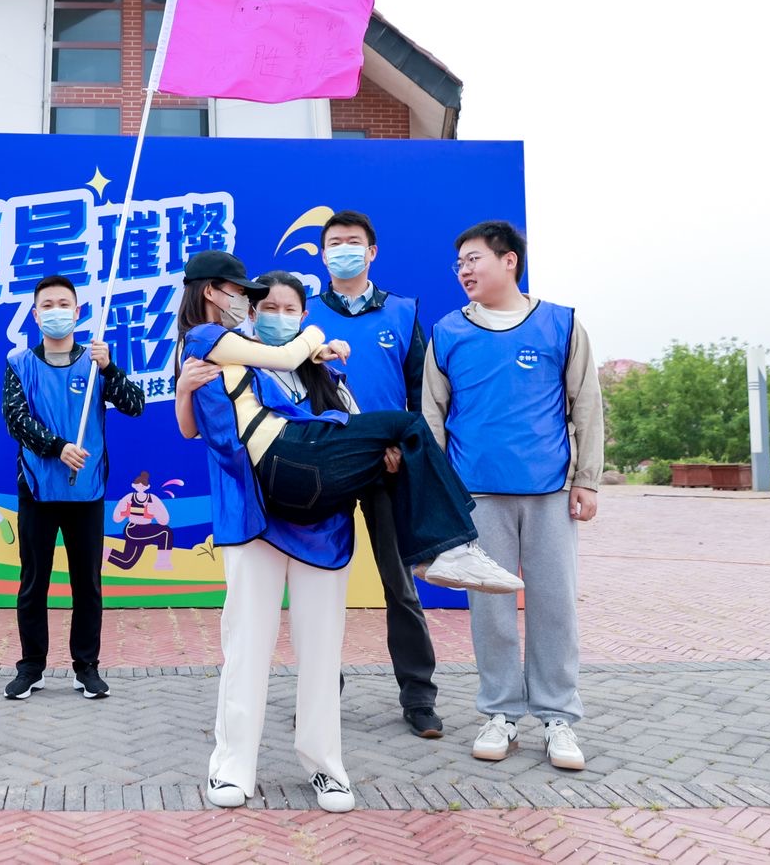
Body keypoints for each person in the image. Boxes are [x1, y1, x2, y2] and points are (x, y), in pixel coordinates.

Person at [172, 251, 520, 816]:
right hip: (254, 517)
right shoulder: (226, 356)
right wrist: (184, 390)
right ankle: (232, 764)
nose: (277, 315)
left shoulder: (327, 371)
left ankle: (325, 766)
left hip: (323, 523)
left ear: (304, 312)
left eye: (290, 308)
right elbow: (197, 431)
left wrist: (384, 455)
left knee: (320, 649)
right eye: (267, 307)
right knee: (246, 644)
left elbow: (356, 436)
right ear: (249, 311)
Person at [422, 220, 604, 772]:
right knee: (491, 608)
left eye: (474, 259)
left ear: (509, 261)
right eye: (459, 263)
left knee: (554, 604)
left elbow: (586, 403)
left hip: (549, 491)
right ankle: (500, 712)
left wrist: (587, 478)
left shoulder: (561, 324)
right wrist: (440, 493)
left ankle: (558, 716)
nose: (464, 270)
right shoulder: (448, 332)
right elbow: (432, 415)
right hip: (475, 494)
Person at [307, 209, 446, 739]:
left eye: (353, 242)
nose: (343, 250)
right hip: (325, 467)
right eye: (334, 243)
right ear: (323, 255)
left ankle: (419, 697)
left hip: (387, 466)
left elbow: (420, 395)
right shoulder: (306, 314)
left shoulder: (403, 312)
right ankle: (320, 696)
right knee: (321, 587)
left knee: (400, 585)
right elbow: (292, 391)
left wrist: (404, 448)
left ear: (371, 252)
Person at [0, 274, 145, 702]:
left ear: (78, 312)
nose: (56, 312)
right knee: (33, 583)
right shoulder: (20, 363)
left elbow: (135, 405)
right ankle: (31, 666)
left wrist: (110, 368)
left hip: (87, 492)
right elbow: (15, 420)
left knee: (87, 584)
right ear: (35, 314)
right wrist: (57, 447)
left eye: (64, 304)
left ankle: (87, 667)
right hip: (38, 489)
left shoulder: (96, 362)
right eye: (47, 305)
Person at [104, 471, 174, 571]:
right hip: (133, 529)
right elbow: (116, 518)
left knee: (126, 562)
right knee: (165, 532)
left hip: (147, 529)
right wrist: (124, 512)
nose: (140, 487)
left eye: (143, 485)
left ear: (147, 487)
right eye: (138, 485)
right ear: (134, 485)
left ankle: (102, 552)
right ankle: (162, 562)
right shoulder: (129, 497)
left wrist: (154, 512)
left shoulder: (152, 499)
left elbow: (164, 520)